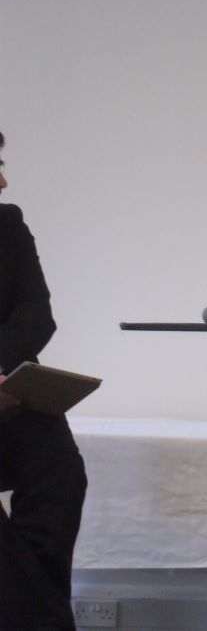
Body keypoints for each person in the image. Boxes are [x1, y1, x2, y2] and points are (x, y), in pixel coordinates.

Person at [0, 130, 88, 630]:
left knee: (61, 472)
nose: (3, 181)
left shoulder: (8, 226)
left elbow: (37, 315)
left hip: (7, 390)